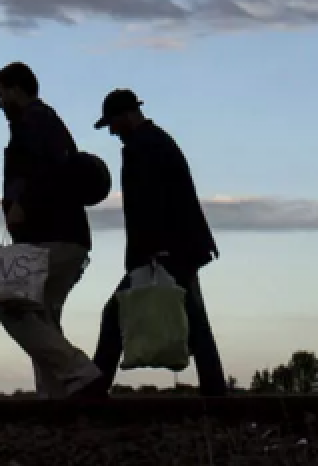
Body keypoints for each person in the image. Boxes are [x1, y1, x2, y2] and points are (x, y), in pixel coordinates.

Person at [88, 89, 226, 398]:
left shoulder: (142, 147)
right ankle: (215, 391)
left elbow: (147, 206)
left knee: (115, 313)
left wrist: (147, 254)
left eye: (113, 122)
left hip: (165, 250)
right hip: (180, 248)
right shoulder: (157, 141)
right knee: (194, 319)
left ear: (126, 115)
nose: (112, 130)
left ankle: (94, 390)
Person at [0, 62, 102, 399]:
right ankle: (56, 397)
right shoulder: (46, 122)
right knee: (43, 318)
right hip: (68, 237)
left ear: (15, 89)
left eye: (1, 93)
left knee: (13, 309)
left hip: (51, 236)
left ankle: (79, 371)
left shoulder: (34, 122)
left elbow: (45, 169)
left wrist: (21, 203)